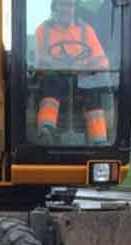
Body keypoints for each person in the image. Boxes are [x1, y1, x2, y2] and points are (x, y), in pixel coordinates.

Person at [34, 0, 110, 145]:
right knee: (50, 81)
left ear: (75, 8)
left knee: (92, 90)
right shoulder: (42, 31)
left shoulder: (85, 30)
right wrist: (55, 64)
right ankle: (46, 129)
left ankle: (99, 140)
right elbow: (35, 59)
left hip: (81, 79)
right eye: (61, 4)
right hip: (54, 76)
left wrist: (86, 66)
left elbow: (102, 61)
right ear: (54, 7)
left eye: (69, 5)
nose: (65, 9)